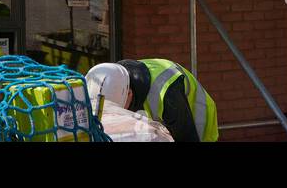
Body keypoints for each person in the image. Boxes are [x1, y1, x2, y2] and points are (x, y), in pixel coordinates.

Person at [86, 59, 218, 143]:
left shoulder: (166, 93)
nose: (117, 115)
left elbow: (187, 137)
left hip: (198, 120)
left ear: (129, 94)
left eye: (117, 111)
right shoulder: (115, 78)